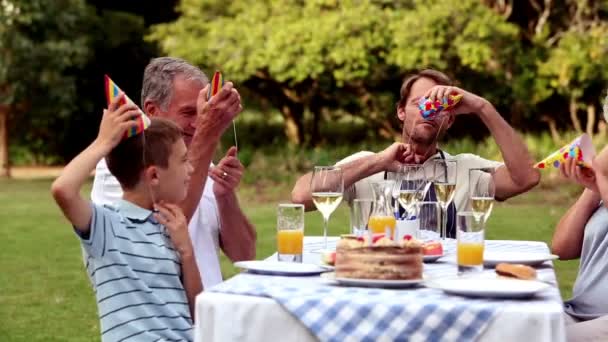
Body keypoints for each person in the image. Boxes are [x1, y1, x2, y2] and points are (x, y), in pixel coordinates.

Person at [291, 69, 540, 237]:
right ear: (401, 112)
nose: (428, 112)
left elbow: (526, 178)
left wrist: (482, 107)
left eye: (437, 106)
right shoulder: (367, 164)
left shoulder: (466, 169)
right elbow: (301, 196)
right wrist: (378, 162)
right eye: (419, 103)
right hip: (376, 279)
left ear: (450, 120)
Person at [51, 95, 207, 341]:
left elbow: (199, 312)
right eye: (184, 160)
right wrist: (103, 142)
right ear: (154, 175)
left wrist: (186, 252)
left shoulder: (169, 224)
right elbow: (63, 190)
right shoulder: (107, 227)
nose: (191, 170)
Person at [91, 57, 256, 288]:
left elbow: (245, 255)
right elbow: (162, 236)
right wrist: (208, 134)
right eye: (190, 112)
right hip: (158, 320)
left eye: (203, 112)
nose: (199, 123)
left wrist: (225, 196)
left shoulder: (204, 163)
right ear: (152, 110)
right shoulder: (119, 165)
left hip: (206, 317)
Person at [553, 150, 608, 341]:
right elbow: (562, 248)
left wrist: (600, 172)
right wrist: (593, 186)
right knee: (516, 324)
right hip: (578, 312)